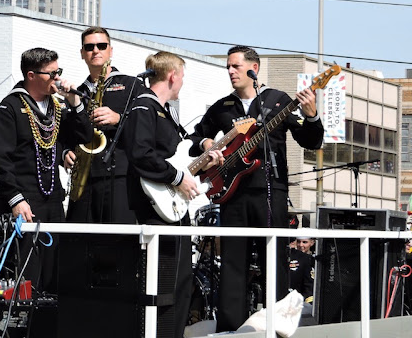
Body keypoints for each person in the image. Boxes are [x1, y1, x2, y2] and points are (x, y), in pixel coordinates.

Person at [189, 45, 323, 332]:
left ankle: (276, 326)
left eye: (236, 66)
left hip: (270, 190)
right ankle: (230, 328)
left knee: (274, 259)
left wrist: (312, 115)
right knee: (232, 262)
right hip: (232, 193)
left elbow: (311, 141)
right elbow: (195, 138)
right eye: (228, 66)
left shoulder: (277, 100)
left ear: (254, 69)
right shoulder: (223, 106)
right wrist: (207, 144)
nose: (230, 71)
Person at [124, 51, 222, 338]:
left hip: (171, 209)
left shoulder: (165, 111)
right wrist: (178, 178)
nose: (182, 82)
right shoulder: (143, 106)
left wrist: (203, 158)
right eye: (182, 76)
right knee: (163, 285)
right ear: (172, 76)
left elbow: (175, 156)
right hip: (154, 209)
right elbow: (141, 154)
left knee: (178, 284)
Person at [0, 48, 93, 293]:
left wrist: (74, 102)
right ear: (31, 75)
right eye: (51, 73)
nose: (57, 78)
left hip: (53, 200)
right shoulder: (8, 109)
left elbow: (85, 135)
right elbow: (2, 161)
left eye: (58, 72)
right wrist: (15, 199)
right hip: (25, 201)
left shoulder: (57, 107)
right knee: (27, 275)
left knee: (55, 273)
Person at [65, 26, 145, 224]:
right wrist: (64, 153)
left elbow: (149, 127)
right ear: (82, 53)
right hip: (84, 179)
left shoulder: (132, 85)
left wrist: (119, 118)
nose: (95, 50)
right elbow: (64, 133)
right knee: (78, 238)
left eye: (101, 46)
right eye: (89, 47)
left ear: (111, 50)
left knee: (119, 240)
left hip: (120, 179)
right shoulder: (76, 92)